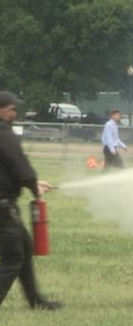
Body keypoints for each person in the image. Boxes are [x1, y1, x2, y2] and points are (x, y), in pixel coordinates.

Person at [0, 91, 62, 310]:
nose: (15, 113)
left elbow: (7, 170)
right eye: (12, 109)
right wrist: (32, 184)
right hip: (4, 206)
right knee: (14, 257)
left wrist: (33, 183)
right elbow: (19, 165)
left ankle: (35, 300)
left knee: (24, 248)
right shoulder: (4, 134)